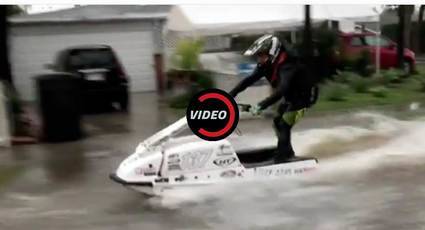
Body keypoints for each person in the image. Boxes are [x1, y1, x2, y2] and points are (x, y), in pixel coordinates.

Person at [229, 34, 318, 163]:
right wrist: (231, 95)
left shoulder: (288, 66)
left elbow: (282, 90)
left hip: (304, 99)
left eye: (262, 55)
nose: (259, 59)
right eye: (258, 56)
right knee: (278, 122)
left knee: (284, 123)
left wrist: (261, 105)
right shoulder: (266, 65)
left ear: (273, 53)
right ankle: (287, 151)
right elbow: (248, 80)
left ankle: (283, 158)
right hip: (290, 97)